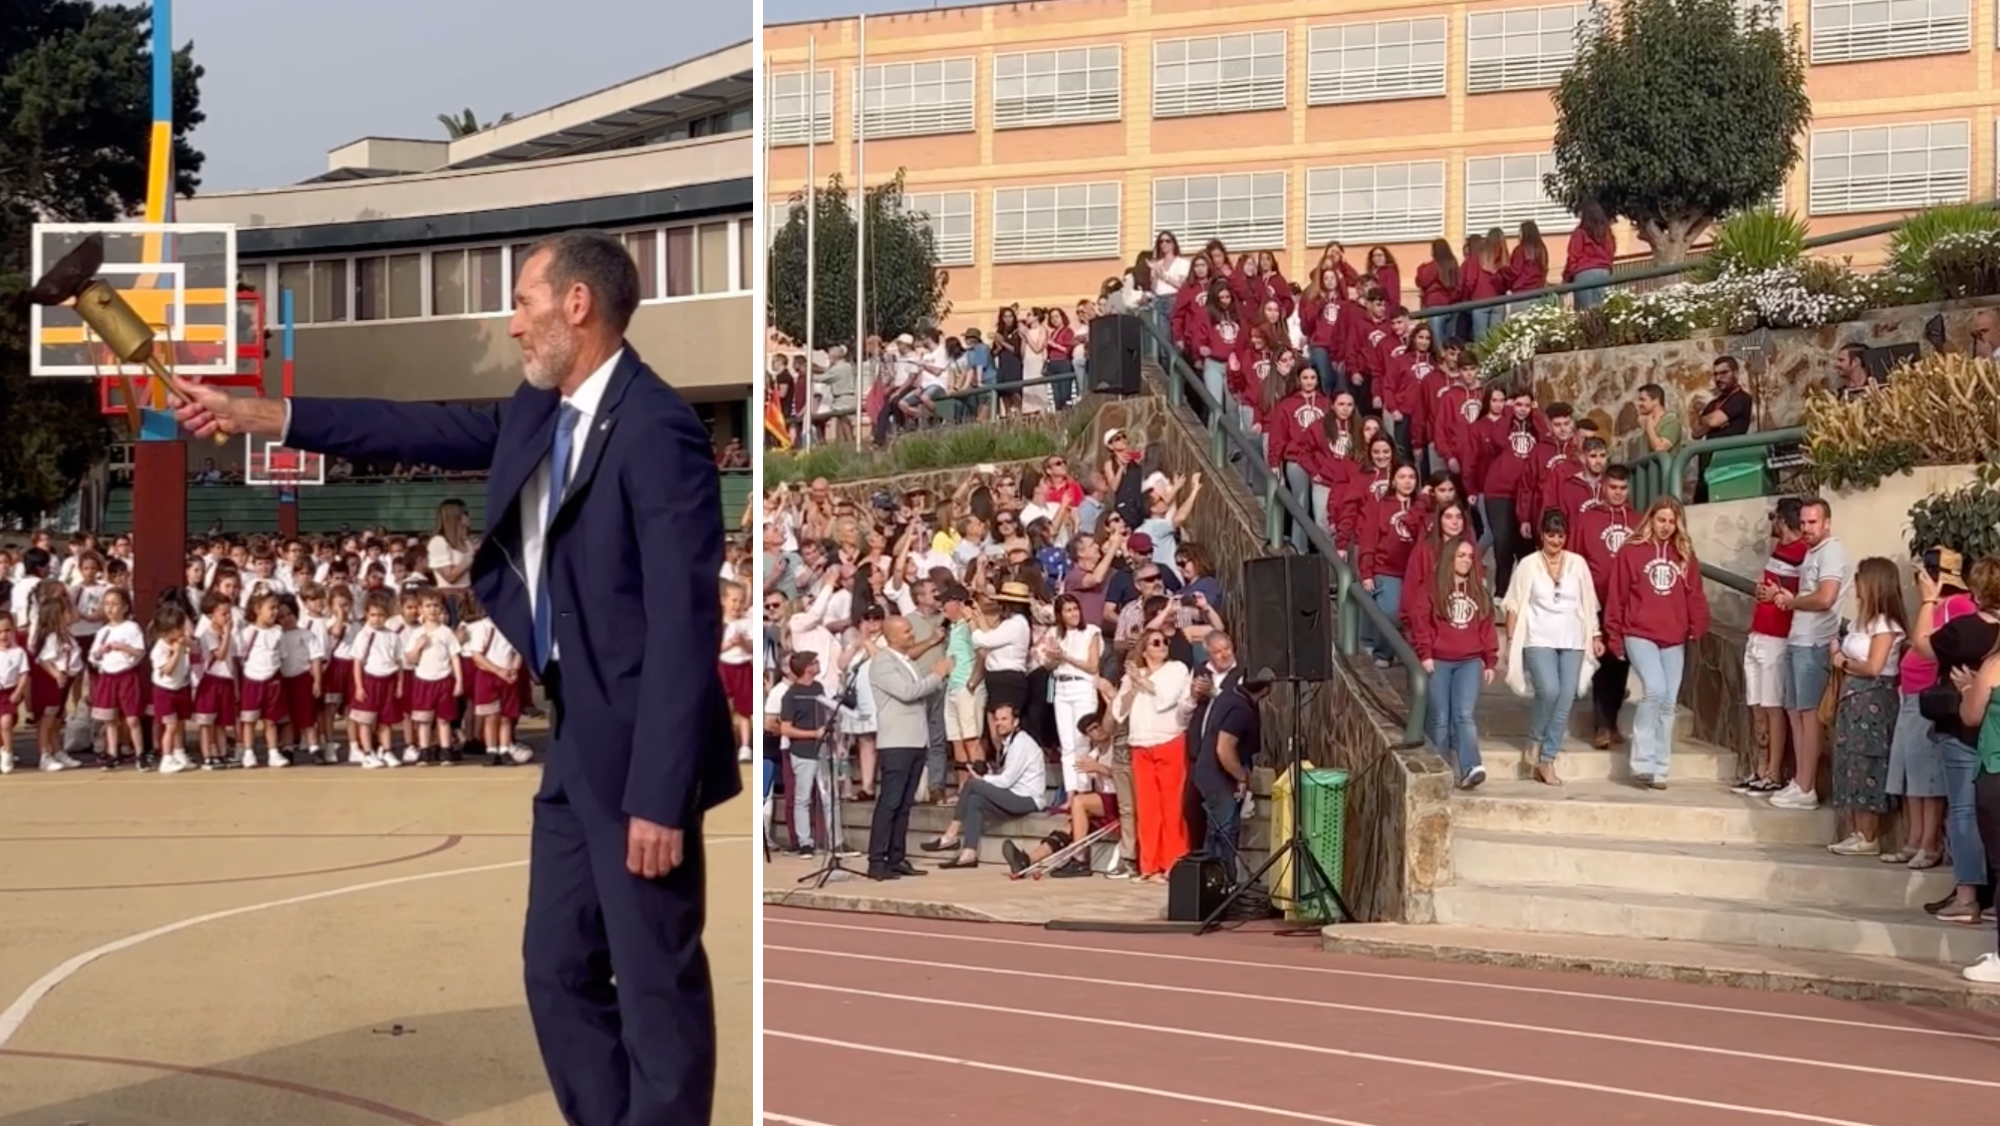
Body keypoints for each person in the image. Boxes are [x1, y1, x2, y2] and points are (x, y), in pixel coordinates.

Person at [171, 229, 737, 1126]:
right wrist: (266, 416)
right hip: (576, 737)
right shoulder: (540, 411)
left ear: (576, 306)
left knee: (656, 980)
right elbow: (417, 427)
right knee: (556, 969)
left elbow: (683, 623)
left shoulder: (659, 429)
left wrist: (661, 797)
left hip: (638, 758)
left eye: (522, 301)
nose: (511, 324)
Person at [867, 615, 951, 881]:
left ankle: (896, 857)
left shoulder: (905, 661)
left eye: (910, 630)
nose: (911, 635)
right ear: (890, 636)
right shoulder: (883, 662)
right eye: (905, 631)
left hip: (915, 740)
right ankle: (877, 860)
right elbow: (907, 692)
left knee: (904, 805)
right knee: (890, 802)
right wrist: (937, 675)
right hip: (896, 742)